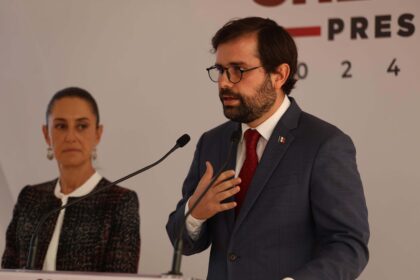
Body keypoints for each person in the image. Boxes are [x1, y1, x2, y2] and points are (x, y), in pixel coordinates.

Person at [166, 17, 369, 280]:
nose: (224, 82)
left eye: (238, 69)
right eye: (220, 70)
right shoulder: (212, 143)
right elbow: (183, 241)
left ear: (279, 75)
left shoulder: (324, 144)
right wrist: (195, 212)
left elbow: (348, 246)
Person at [2, 87, 140, 273]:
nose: (70, 137)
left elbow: (120, 276)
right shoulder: (30, 197)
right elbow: (7, 271)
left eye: (81, 126)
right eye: (61, 126)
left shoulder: (120, 201)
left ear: (98, 133)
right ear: (46, 134)